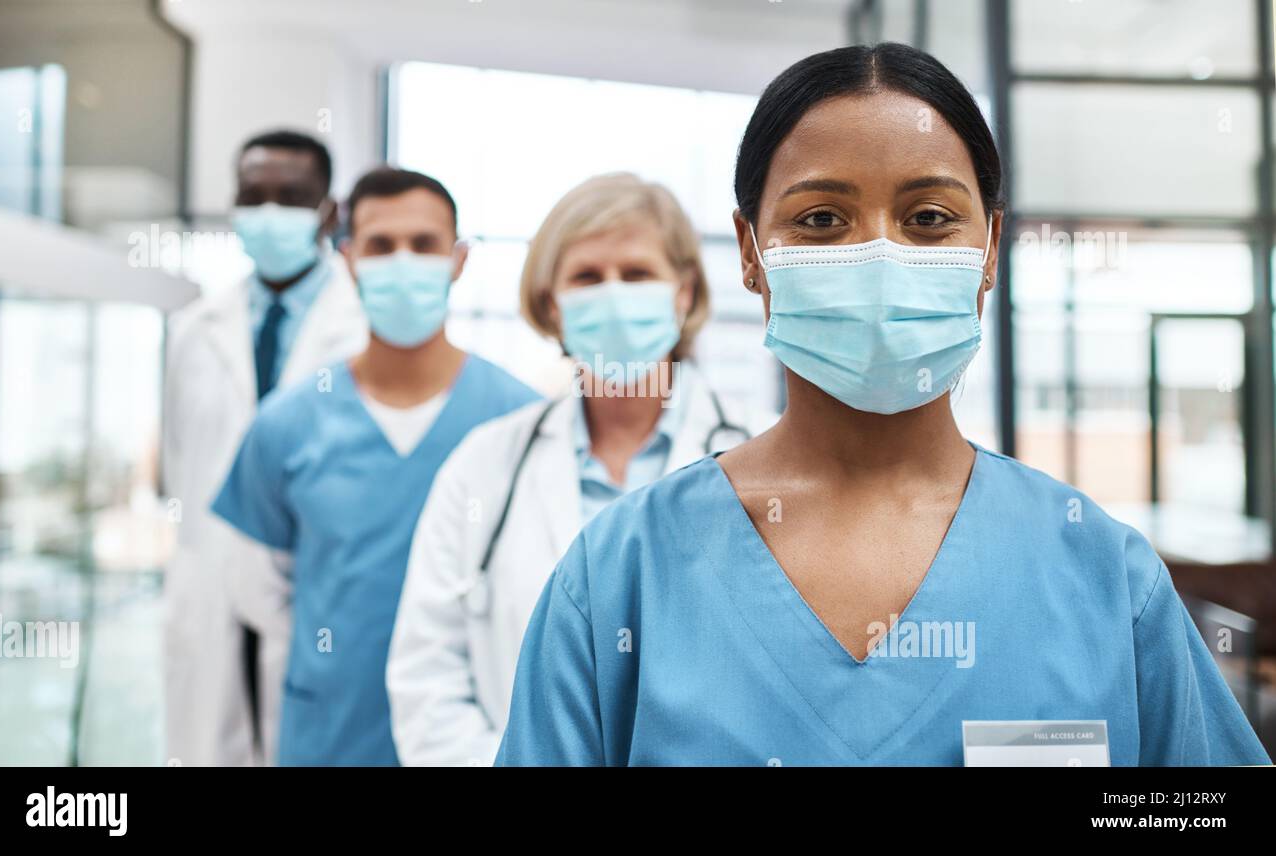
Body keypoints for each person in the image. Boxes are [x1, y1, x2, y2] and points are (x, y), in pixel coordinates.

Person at [494, 44, 1272, 766]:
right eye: (822, 220)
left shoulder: (1102, 574)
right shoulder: (624, 575)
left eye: (929, 218)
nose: (880, 254)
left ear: (990, 249)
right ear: (749, 254)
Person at [385, 173, 777, 766]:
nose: (613, 294)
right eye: (587, 277)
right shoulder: (484, 467)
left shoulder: (769, 454)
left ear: (685, 293)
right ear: (551, 303)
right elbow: (428, 681)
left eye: (638, 274)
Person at [211, 166, 539, 765]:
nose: (403, 261)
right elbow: (259, 591)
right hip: (330, 733)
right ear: (347, 257)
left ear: (459, 259)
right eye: (381, 246)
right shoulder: (285, 424)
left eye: (424, 244)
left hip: (475, 739)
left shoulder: (521, 422)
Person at [163, 129, 367, 767]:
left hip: (317, 595)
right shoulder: (195, 329)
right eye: (254, 196)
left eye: (292, 196)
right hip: (210, 587)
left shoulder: (361, 327)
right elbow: (180, 462)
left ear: (328, 212)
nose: (270, 213)